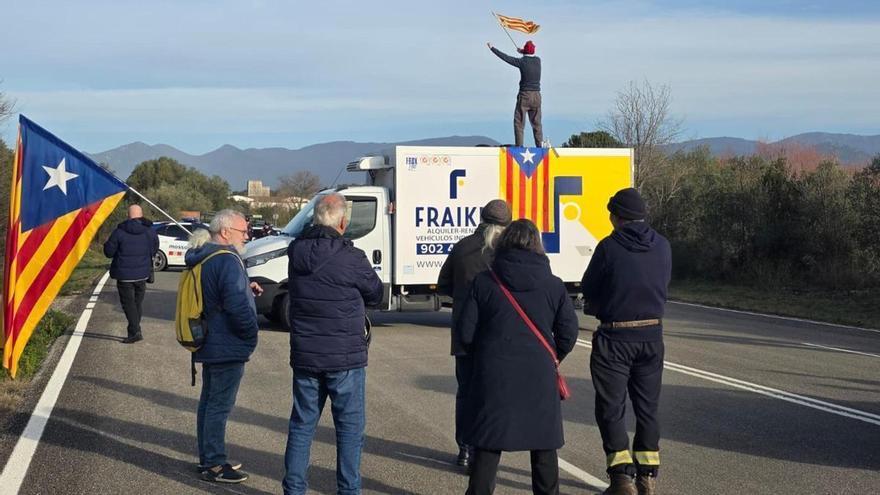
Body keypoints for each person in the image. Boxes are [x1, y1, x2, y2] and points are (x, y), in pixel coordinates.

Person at [456, 219, 579, 495]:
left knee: (487, 445)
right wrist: (552, 355)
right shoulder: (554, 285)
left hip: (494, 374)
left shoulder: (484, 282)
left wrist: (486, 354)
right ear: (537, 245)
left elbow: (465, 333)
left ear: (503, 243)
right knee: (544, 447)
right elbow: (569, 333)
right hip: (539, 374)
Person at [283, 192, 383, 495]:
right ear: (342, 221)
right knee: (349, 432)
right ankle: (348, 491)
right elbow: (376, 294)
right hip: (345, 359)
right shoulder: (351, 257)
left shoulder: (295, 253)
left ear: (315, 217)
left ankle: (294, 489)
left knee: (302, 426)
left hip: (307, 355)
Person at [581, 188, 671, 495]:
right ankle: (647, 475)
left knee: (611, 408)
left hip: (615, 337)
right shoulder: (663, 246)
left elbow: (590, 287)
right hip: (652, 335)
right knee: (647, 409)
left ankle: (621, 478)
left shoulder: (609, 247)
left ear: (617, 217)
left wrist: (596, 307)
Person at [187, 209, 263, 484]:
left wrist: (246, 284)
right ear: (225, 231)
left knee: (209, 403)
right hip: (226, 341)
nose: (247, 235)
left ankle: (208, 457)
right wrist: (250, 334)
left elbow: (220, 291)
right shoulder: (227, 260)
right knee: (219, 405)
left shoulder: (206, 255)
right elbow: (235, 306)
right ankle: (215, 464)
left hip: (209, 338)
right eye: (244, 231)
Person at [437, 199, 512, 468]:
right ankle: (487, 449)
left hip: (464, 335)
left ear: (481, 218)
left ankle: (465, 449)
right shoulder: (510, 251)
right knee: (493, 392)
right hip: (500, 334)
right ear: (508, 223)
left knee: (466, 392)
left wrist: (463, 298)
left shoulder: (463, 247)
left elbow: (443, 283)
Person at [103, 204, 159, 344]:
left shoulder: (119, 231)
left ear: (128, 216)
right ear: (141, 214)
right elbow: (154, 249)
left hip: (124, 275)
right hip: (143, 274)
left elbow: (108, 252)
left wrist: (106, 244)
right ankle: (133, 331)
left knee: (128, 305)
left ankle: (135, 331)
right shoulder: (150, 231)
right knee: (137, 304)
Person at [487, 40, 542, 147]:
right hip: (537, 96)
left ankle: (519, 147)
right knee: (537, 124)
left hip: (525, 95)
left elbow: (506, 58)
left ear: (525, 51)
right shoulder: (538, 61)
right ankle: (540, 147)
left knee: (519, 123)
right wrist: (522, 51)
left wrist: (492, 48)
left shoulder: (522, 62)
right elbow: (528, 55)